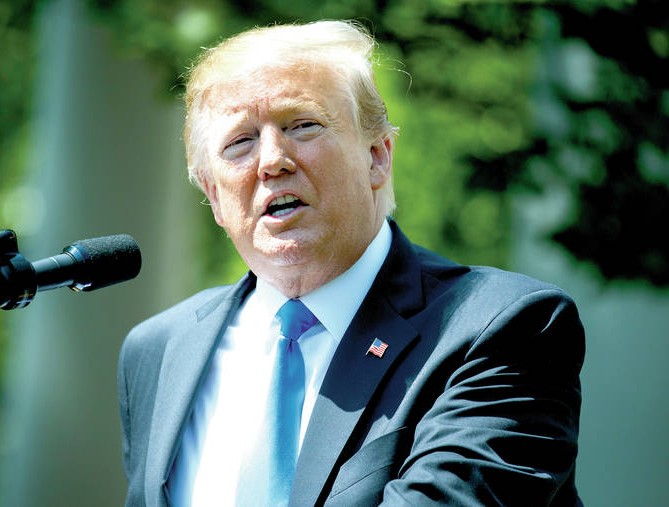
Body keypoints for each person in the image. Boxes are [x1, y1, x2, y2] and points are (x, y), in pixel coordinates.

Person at [117, 20, 585, 506]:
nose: (272, 160)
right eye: (240, 142)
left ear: (377, 157)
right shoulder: (159, 350)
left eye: (303, 125)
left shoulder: (503, 326)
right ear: (215, 196)